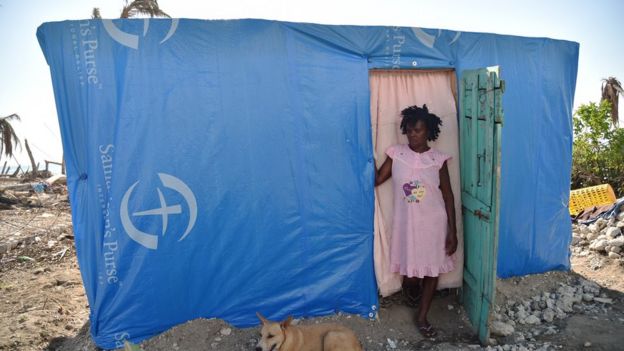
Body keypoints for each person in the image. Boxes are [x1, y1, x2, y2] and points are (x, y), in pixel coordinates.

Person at [375, 104, 458, 338]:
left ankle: (422, 316)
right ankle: (411, 290)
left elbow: (448, 195)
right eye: (409, 130)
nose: (412, 135)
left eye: (418, 130)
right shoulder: (397, 154)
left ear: (428, 131)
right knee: (410, 270)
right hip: (406, 225)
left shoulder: (438, 160)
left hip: (434, 223)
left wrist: (453, 231)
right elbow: (378, 179)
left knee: (432, 270)